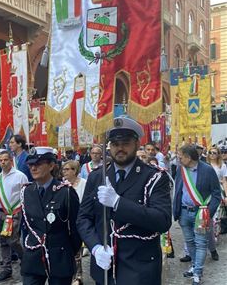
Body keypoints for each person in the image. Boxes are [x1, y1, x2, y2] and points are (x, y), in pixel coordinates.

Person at [77, 116, 172, 285]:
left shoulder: (155, 177)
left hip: (140, 269)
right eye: (114, 144)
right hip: (105, 268)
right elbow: (84, 218)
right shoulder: (97, 176)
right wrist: (95, 247)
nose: (119, 148)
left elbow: (162, 220)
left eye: (125, 143)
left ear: (136, 144)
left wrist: (118, 203)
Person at [21, 147, 82, 285]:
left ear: (51, 165)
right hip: (34, 255)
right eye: (31, 165)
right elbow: (26, 227)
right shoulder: (27, 191)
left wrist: (67, 251)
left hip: (59, 256)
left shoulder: (65, 192)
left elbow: (75, 228)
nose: (33, 168)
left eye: (38, 164)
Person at [173, 144, 221, 285]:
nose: (178, 158)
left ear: (188, 157)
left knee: (201, 243)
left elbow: (216, 194)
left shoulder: (207, 170)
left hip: (201, 213)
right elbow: (177, 191)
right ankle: (194, 265)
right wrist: (176, 211)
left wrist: (208, 213)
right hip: (184, 212)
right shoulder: (180, 169)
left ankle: (198, 273)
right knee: (190, 242)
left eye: (180, 156)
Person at [0, 150, 28, 283]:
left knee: (13, 240)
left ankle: (25, 259)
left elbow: (25, 194)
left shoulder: (20, 176)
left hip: (14, 212)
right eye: (0, 160)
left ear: (11, 160)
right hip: (0, 212)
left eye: (5, 160)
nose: (3, 162)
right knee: (3, 241)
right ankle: (7, 268)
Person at [62, 160, 87, 285]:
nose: (64, 172)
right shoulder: (63, 185)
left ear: (75, 170)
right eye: (63, 169)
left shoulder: (84, 184)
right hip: (66, 221)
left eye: (67, 169)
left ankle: (78, 276)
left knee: (77, 250)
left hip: (80, 220)